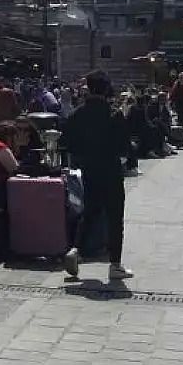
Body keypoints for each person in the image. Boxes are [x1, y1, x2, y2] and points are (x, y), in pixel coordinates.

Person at [62, 70, 134, 281]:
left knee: (90, 212)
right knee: (114, 217)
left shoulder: (77, 113)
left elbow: (70, 144)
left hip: (89, 170)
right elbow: (123, 147)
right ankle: (115, 265)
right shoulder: (113, 113)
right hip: (110, 171)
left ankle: (76, 249)